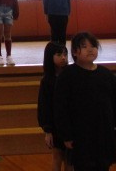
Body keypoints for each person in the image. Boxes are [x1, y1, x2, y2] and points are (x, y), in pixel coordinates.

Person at [54, 32, 116, 171]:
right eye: (84, 46)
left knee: (103, 166)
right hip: (80, 134)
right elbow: (61, 108)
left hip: (103, 132)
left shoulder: (106, 74)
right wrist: (66, 135)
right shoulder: (67, 75)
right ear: (74, 52)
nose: (90, 49)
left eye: (93, 46)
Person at [37, 42, 71, 171]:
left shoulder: (70, 76)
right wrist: (48, 130)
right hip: (56, 126)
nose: (63, 57)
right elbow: (44, 106)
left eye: (65, 54)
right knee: (57, 157)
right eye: (59, 54)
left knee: (70, 161)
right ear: (50, 57)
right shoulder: (47, 81)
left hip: (70, 124)